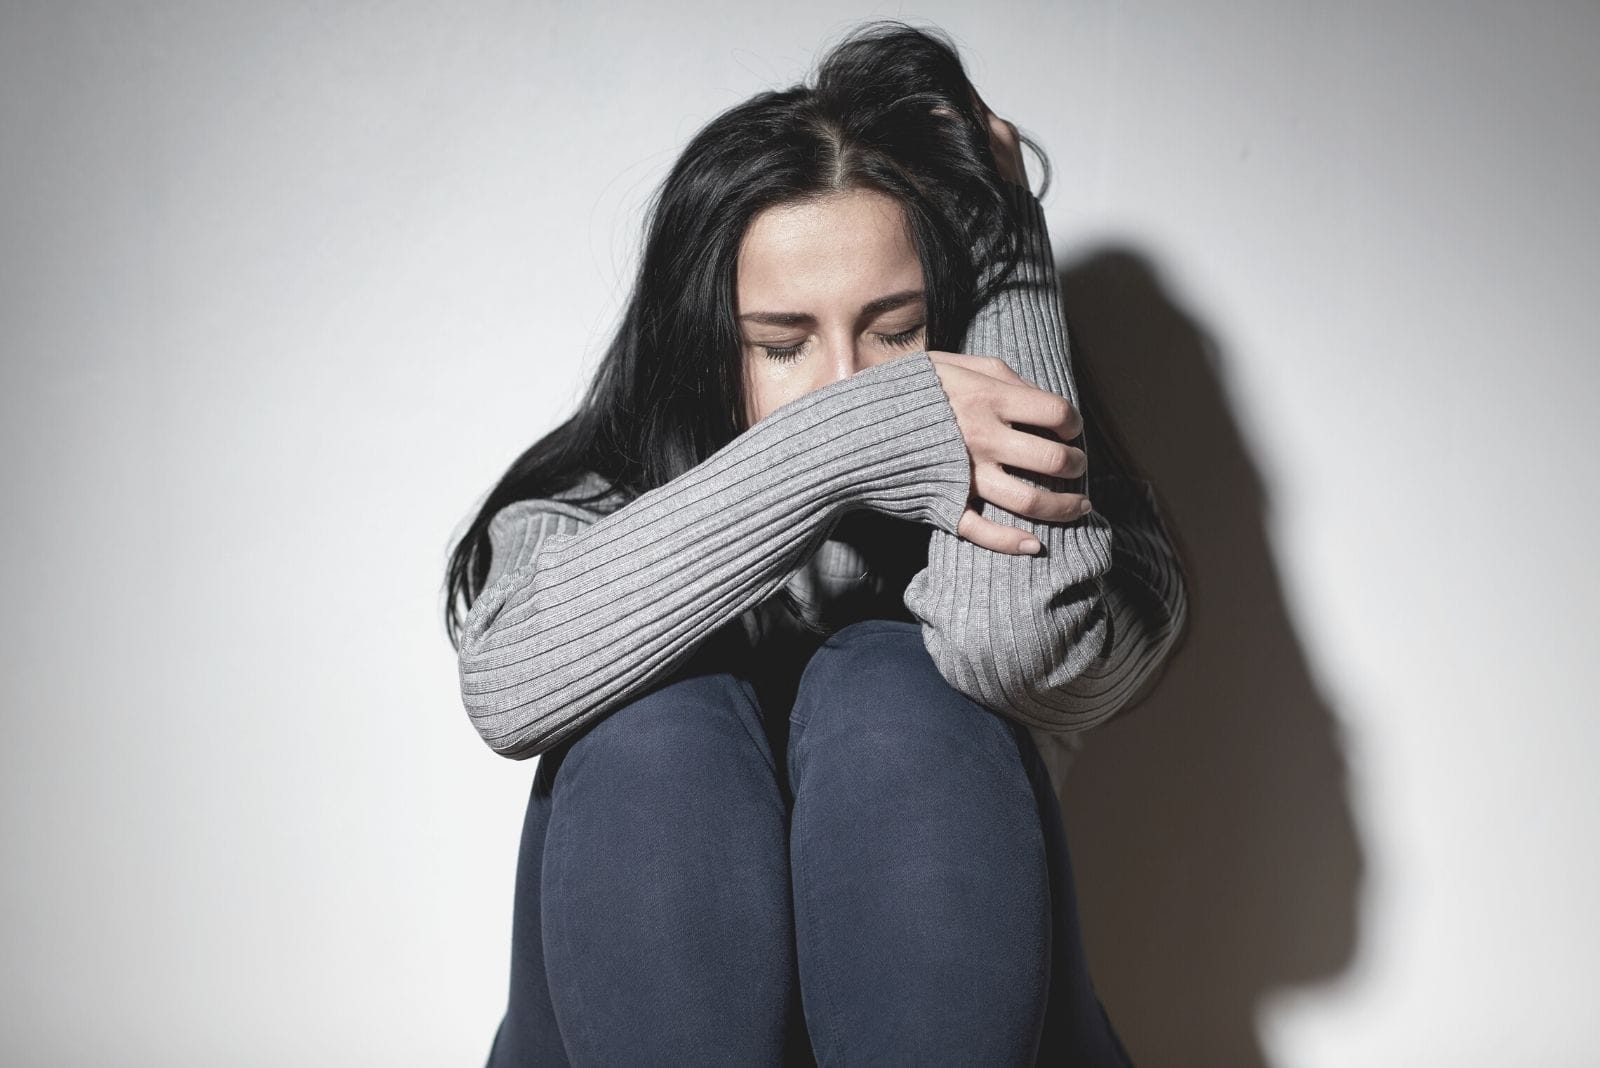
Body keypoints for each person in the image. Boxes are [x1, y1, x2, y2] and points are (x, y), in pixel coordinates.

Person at [443, 20, 1188, 1067]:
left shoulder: (1086, 546)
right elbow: (508, 686)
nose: (849, 383)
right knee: (659, 713)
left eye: (897, 331)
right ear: (707, 344)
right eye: (782, 345)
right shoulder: (591, 502)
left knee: (897, 681)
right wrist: (848, 446)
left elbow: (1013, 648)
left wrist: (1007, 236)